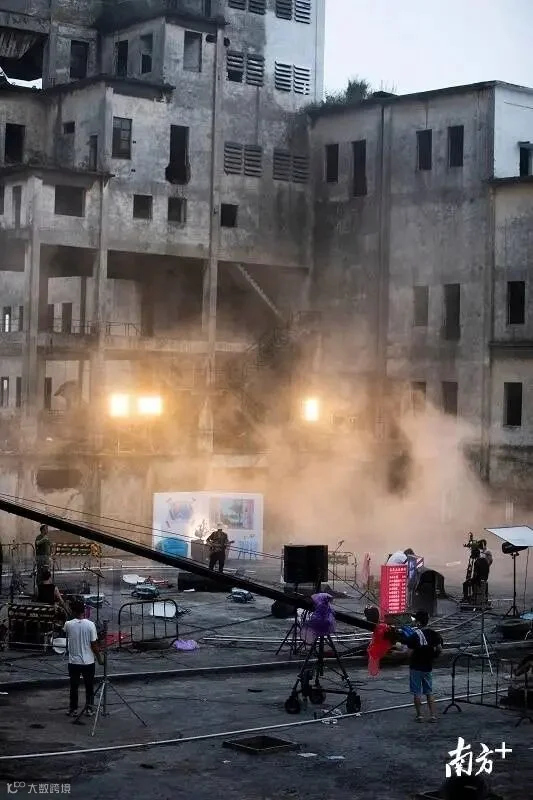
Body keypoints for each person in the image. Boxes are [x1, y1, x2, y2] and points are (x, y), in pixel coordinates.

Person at [64, 598, 102, 717]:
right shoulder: (91, 625)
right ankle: (89, 709)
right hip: (88, 662)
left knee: (74, 686)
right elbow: (94, 645)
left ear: (73, 611)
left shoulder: (68, 624)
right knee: (89, 686)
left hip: (73, 662)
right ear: (83, 611)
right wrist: (99, 658)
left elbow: (66, 631)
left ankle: (73, 709)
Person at [405, 609, 443, 723]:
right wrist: (434, 656)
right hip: (428, 667)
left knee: (417, 692)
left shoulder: (414, 635)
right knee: (429, 692)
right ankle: (433, 715)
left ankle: (420, 715)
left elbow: (409, 653)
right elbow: (439, 649)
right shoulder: (434, 634)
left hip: (415, 667)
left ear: (418, 622)